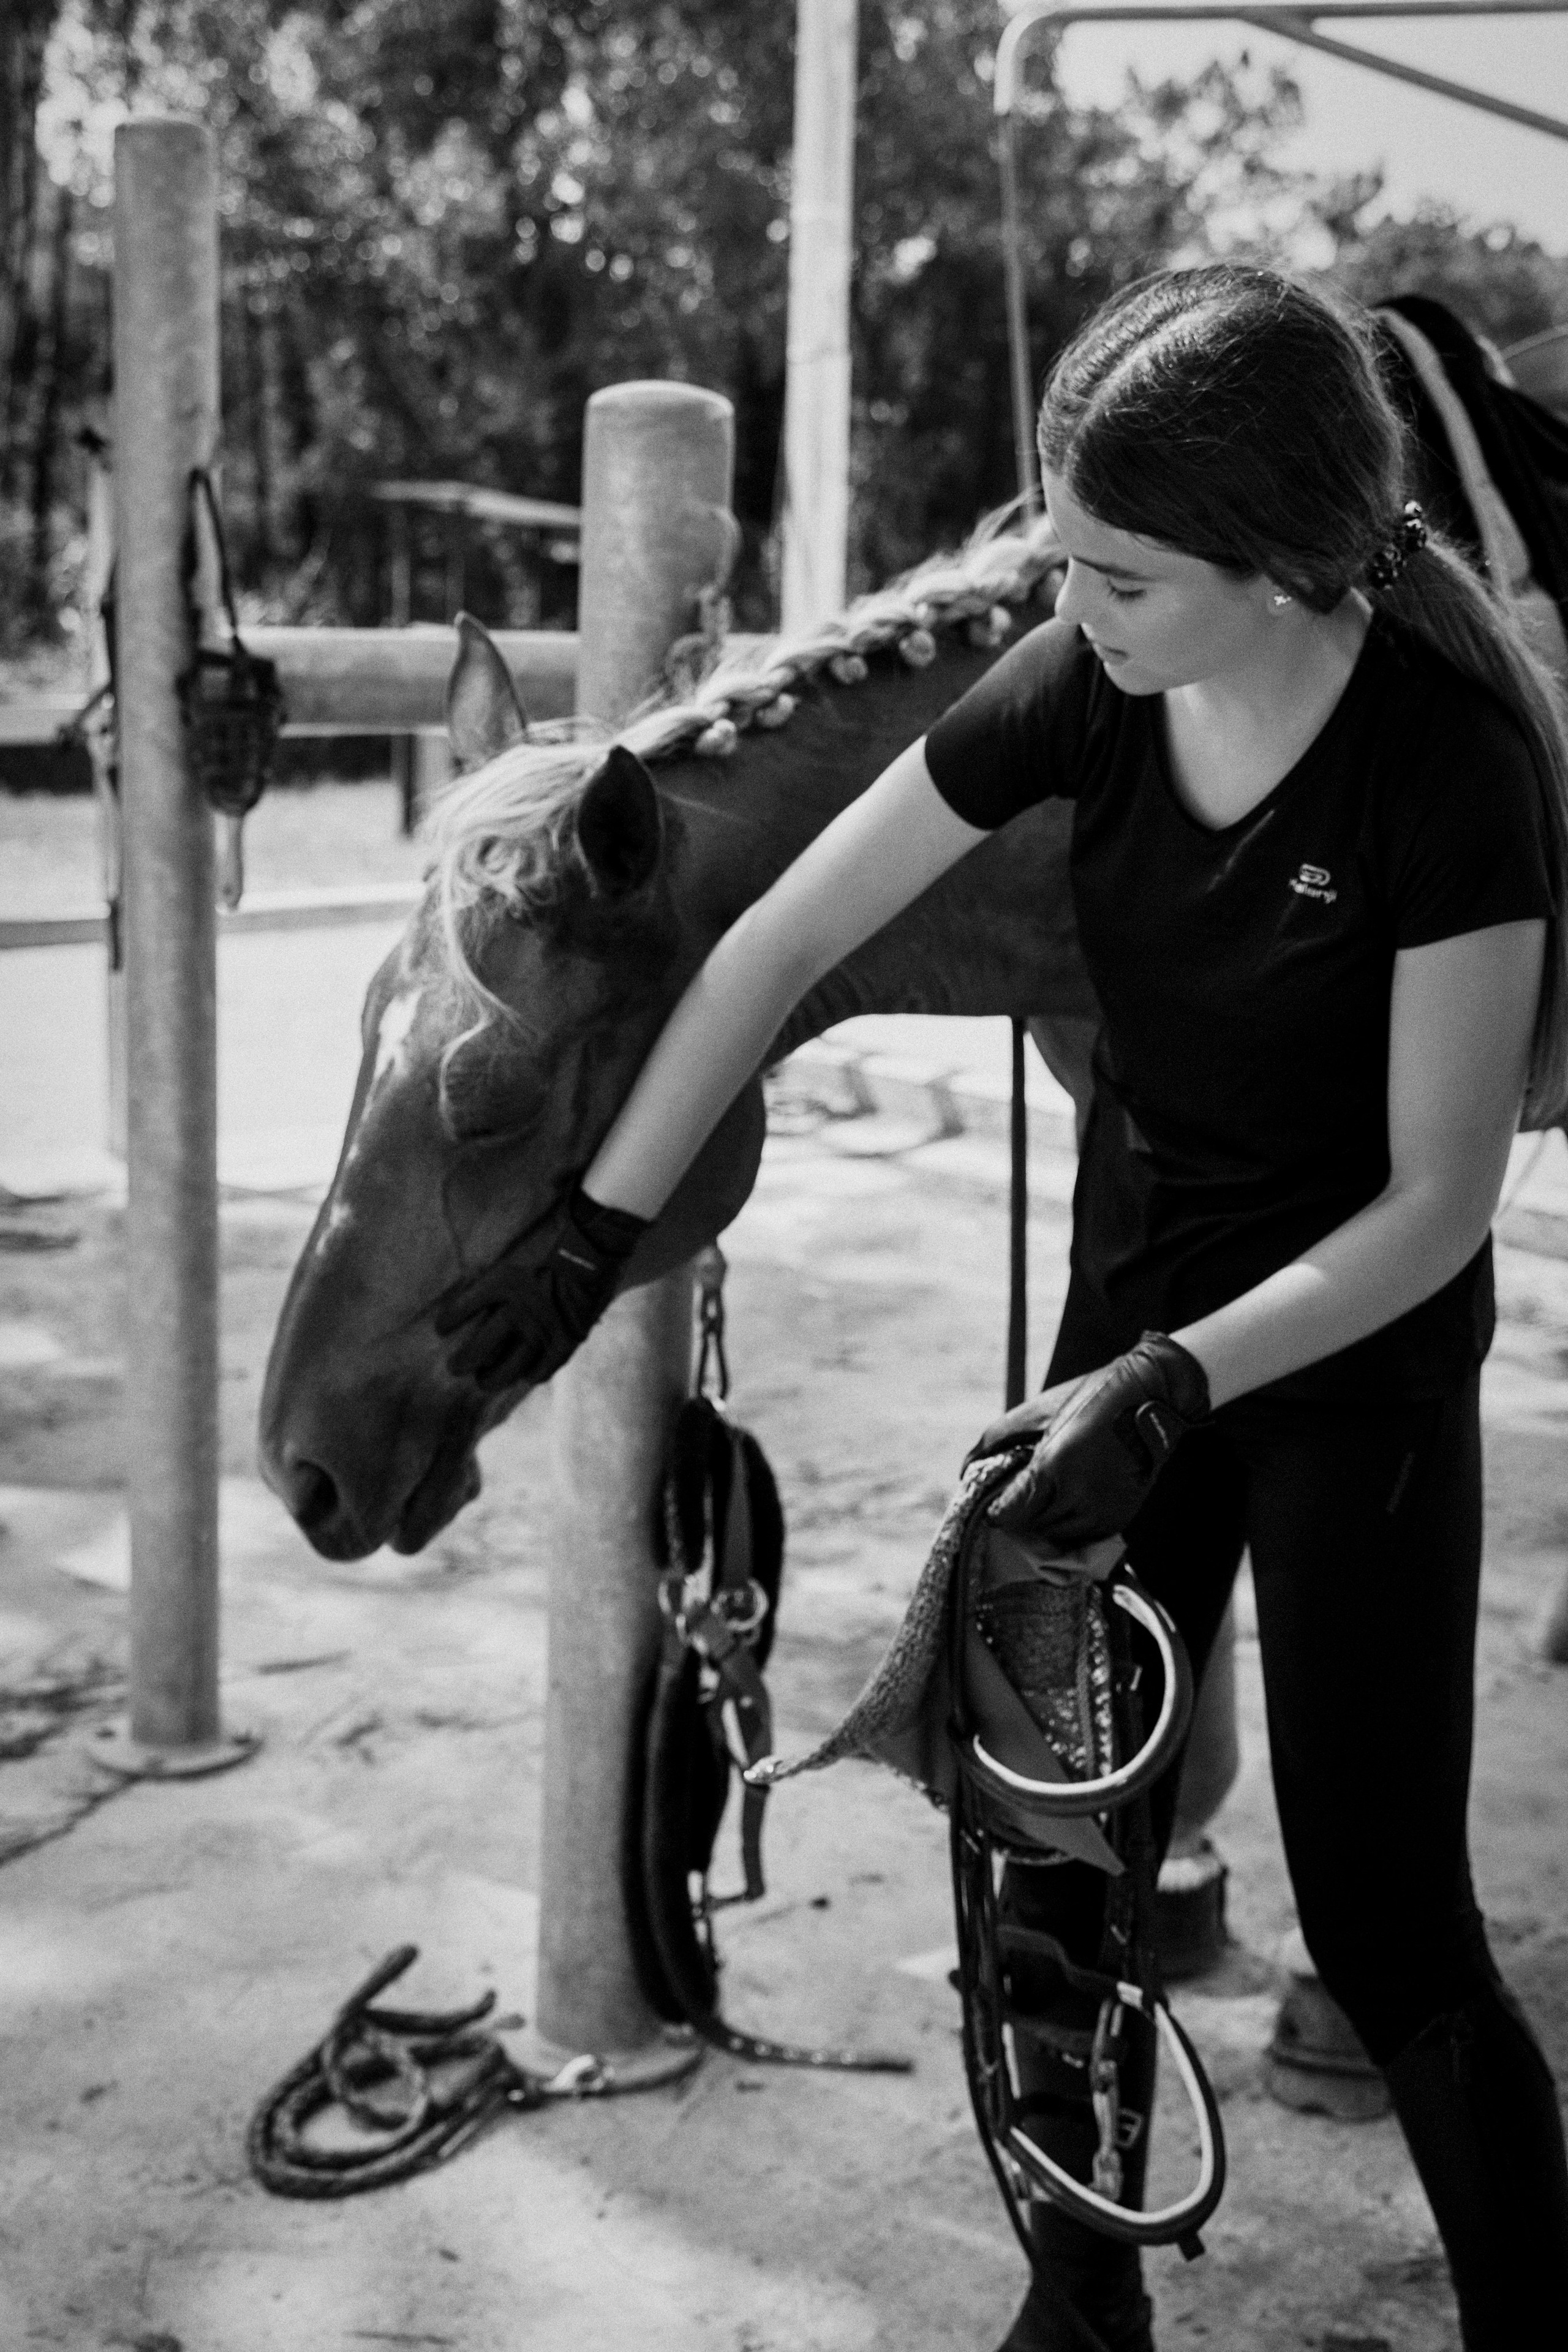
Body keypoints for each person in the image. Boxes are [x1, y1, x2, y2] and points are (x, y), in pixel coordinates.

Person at [437, 266, 1568, 2351]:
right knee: (1051, 1867)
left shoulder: (1449, 767)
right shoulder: (1089, 679)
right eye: (1069, 561)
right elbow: (773, 946)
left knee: (1394, 1924)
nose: (1083, 605)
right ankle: (1083, 2309)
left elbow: (1435, 1205)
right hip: (1132, 1312)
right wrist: (590, 1241)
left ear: (1283, 562)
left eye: (1121, 574)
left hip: (1347, 1364)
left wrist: (1178, 1380)